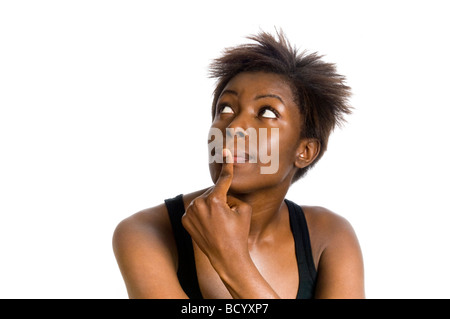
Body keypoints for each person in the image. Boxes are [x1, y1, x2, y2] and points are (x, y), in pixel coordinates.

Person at [112, 30, 364, 299]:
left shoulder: (330, 237)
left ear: (305, 151)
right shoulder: (145, 233)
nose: (233, 128)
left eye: (266, 112)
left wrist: (232, 260)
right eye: (226, 109)